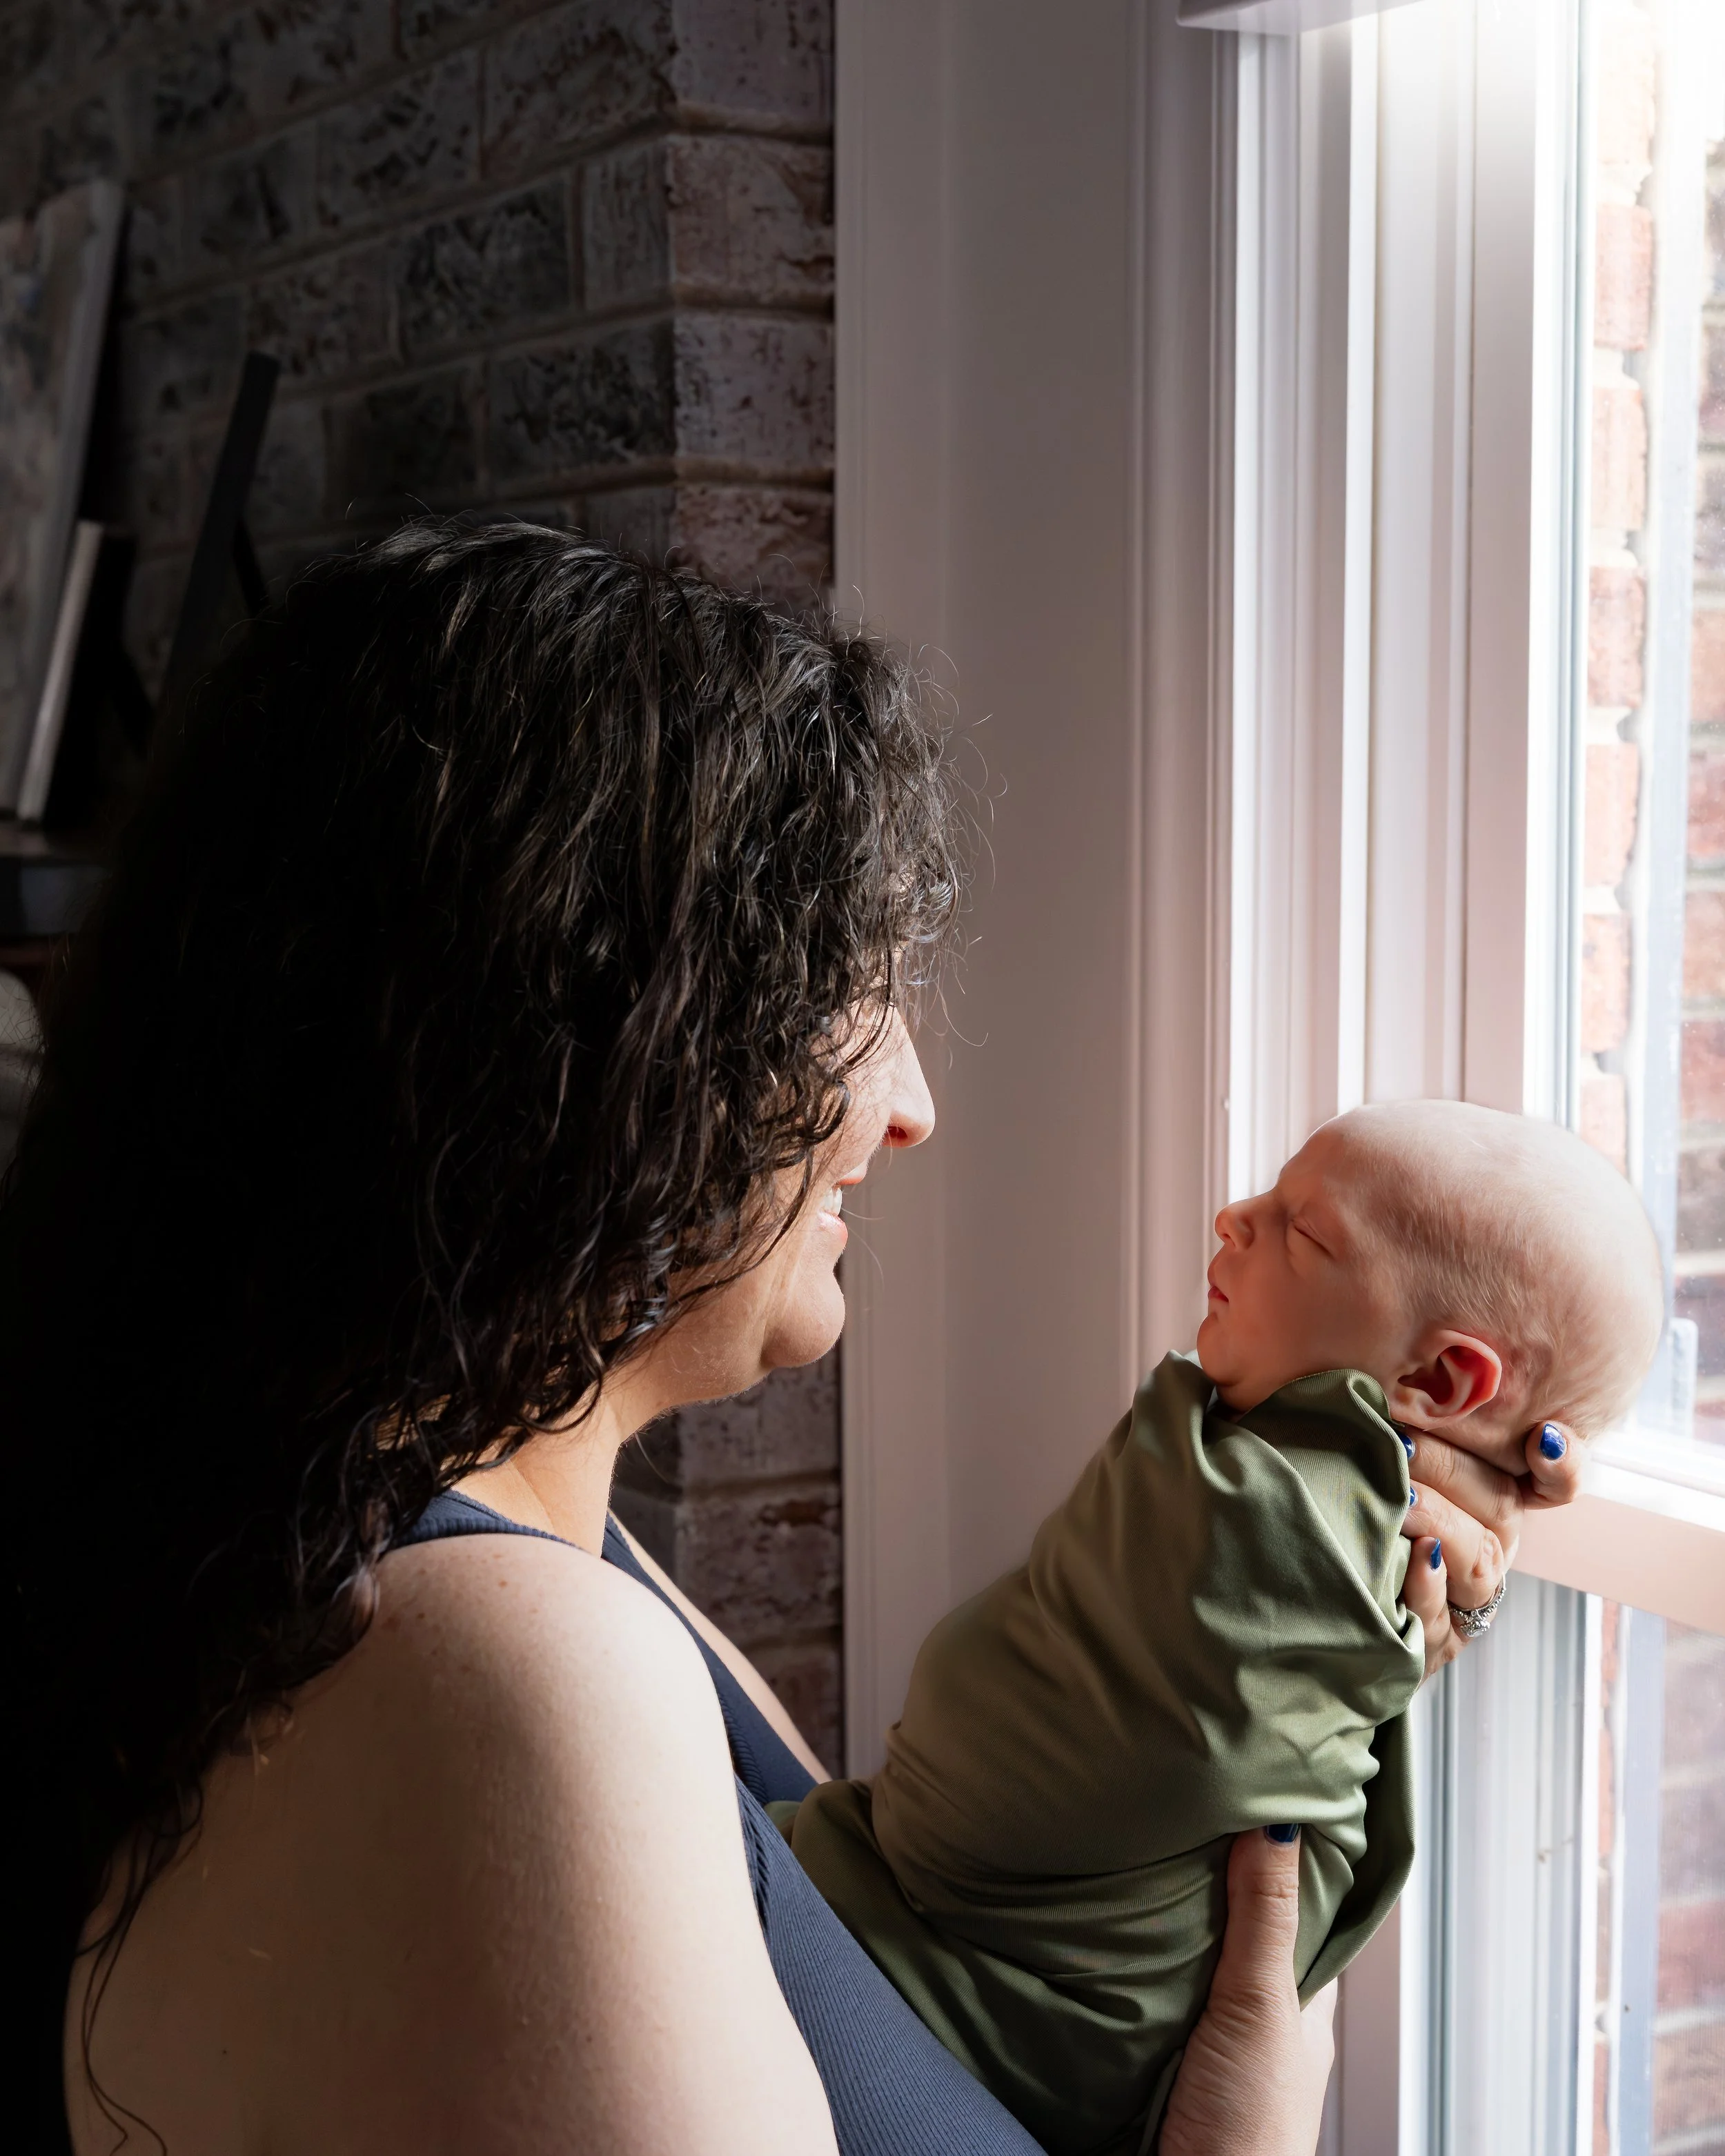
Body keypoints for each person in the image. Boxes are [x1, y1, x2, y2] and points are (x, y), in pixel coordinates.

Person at [4, 524, 1575, 2156]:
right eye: (844, 992)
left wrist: (1305, 1608)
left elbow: (885, 1963)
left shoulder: (475, 1523)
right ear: (582, 1037)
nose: (909, 1105)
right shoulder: (511, 1677)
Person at [778, 1102, 1651, 2154]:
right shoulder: (1300, 1509)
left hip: (1000, 2012)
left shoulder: (1272, 1520)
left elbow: (1230, 1723)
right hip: (897, 1914)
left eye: (1304, 1230)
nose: (1235, 1216)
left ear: (1437, 1381)